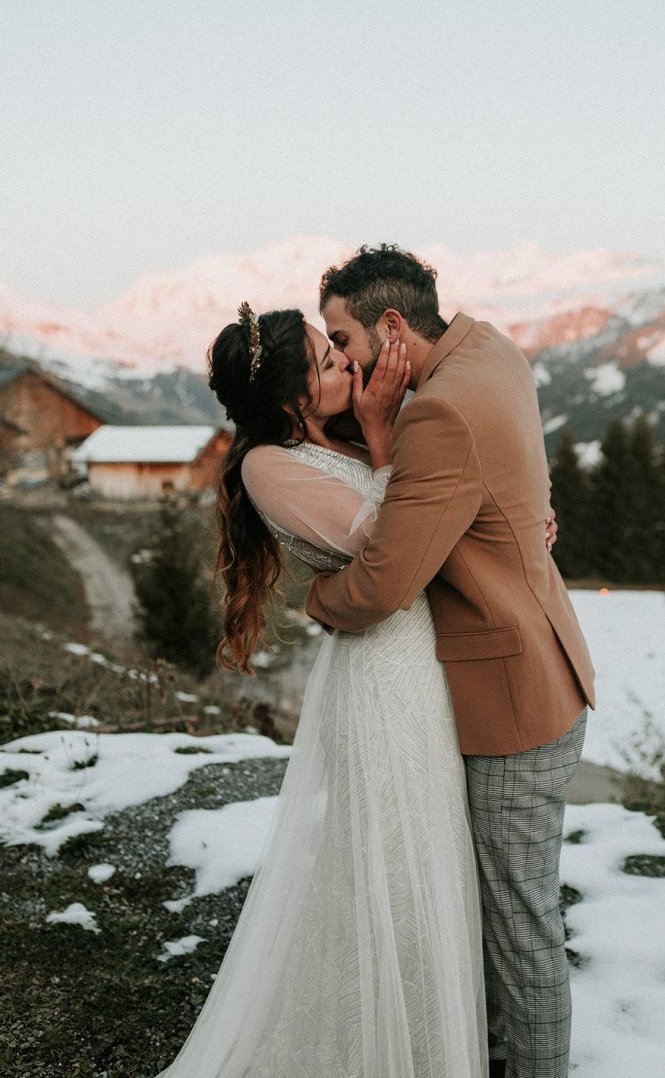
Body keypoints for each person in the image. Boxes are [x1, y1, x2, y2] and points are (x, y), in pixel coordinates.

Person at [155, 303, 489, 1078]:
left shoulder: (327, 437)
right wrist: (379, 433)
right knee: (397, 871)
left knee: (428, 859)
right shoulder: (267, 465)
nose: (343, 360)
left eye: (332, 344)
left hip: (419, 663)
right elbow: (386, 537)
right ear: (288, 400)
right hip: (379, 677)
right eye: (322, 357)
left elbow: (443, 494)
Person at [308, 245, 597, 1078]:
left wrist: (315, 600)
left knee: (520, 928)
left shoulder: (440, 415)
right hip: (547, 660)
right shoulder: (489, 349)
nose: (344, 360)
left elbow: (383, 583)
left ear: (391, 327)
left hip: (512, 703)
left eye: (344, 338)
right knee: (508, 915)